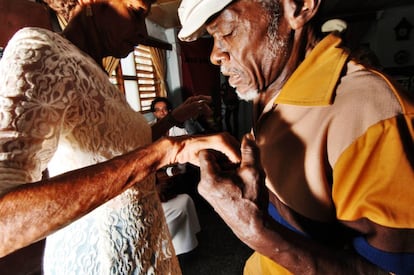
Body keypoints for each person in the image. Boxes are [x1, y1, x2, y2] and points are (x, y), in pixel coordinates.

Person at [0, 0, 241, 274]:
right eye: (136, 12)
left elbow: (123, 148)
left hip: (144, 250)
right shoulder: (40, 50)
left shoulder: (97, 71)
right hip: (101, 260)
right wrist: (168, 150)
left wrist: (175, 119)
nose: (142, 31)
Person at [178, 0, 414, 274]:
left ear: (300, 7)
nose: (214, 55)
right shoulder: (273, 94)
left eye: (228, 30)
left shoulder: (375, 117)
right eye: (213, 37)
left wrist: (256, 230)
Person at [150, 96, 202, 255]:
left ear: (170, 111)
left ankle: (190, 230)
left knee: (181, 182)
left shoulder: (180, 130)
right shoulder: (148, 131)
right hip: (159, 168)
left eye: (164, 109)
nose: (162, 113)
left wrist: (176, 168)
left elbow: (185, 153)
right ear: (154, 113)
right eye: (158, 110)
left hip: (178, 167)